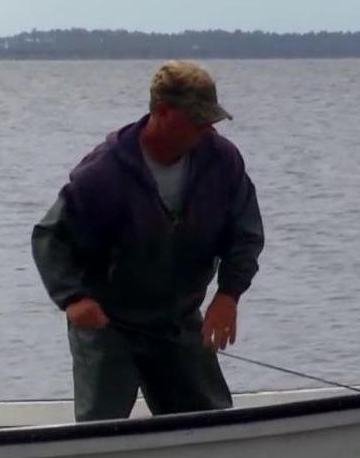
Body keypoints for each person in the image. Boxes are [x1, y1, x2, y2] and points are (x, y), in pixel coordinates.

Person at [31, 60, 265, 422]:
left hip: (178, 320)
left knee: (210, 424)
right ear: (160, 111)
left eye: (210, 120)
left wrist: (229, 294)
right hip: (107, 324)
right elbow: (51, 237)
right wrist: (73, 298)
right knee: (101, 430)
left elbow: (245, 234)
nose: (205, 129)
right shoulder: (104, 172)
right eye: (195, 119)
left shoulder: (222, 161)